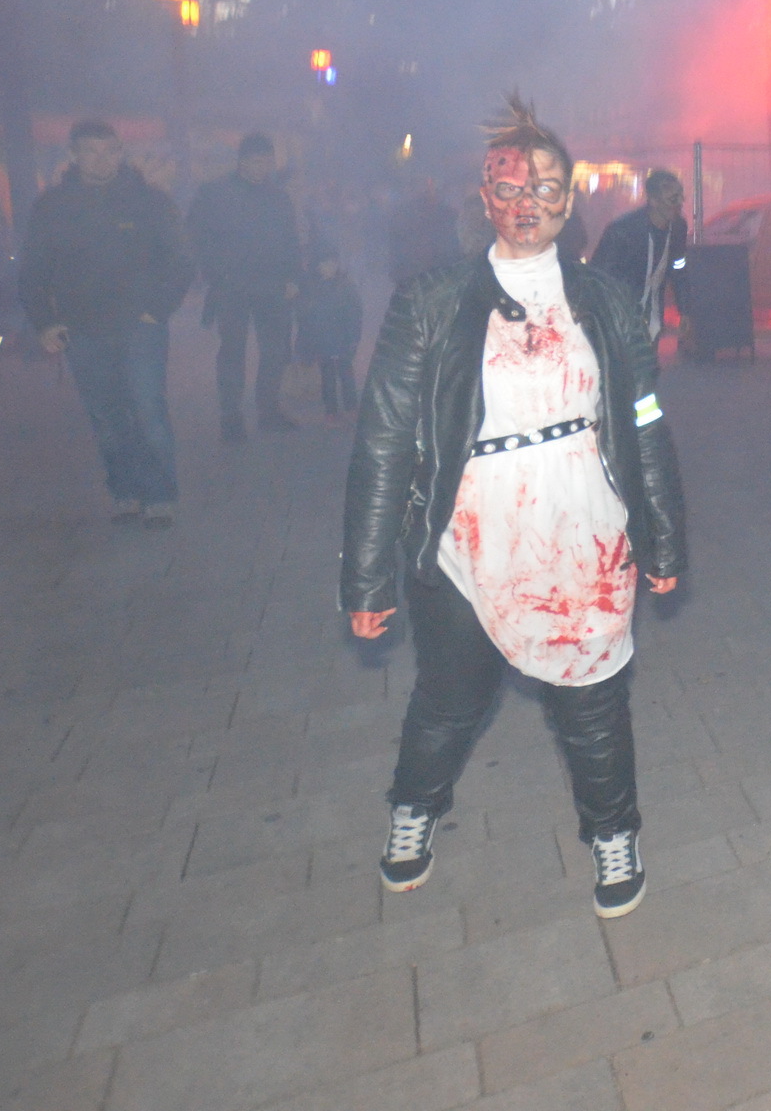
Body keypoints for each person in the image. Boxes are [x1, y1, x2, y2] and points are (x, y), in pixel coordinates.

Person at [343, 95, 685, 919]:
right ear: (484, 197)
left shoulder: (605, 300)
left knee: (593, 701)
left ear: (570, 201)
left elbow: (644, 421)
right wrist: (366, 577)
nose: (527, 203)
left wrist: (665, 538)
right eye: (509, 187)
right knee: (450, 697)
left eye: (546, 188)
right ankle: (414, 809)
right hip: (469, 535)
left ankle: (614, 832)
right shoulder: (429, 301)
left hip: (584, 531)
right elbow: (384, 439)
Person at [18, 121, 194, 527]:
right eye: (92, 151)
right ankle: (125, 492)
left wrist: (157, 308)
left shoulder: (148, 201)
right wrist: (44, 322)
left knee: (147, 409)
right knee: (106, 416)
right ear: (74, 155)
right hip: (82, 327)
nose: (102, 160)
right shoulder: (53, 206)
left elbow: (182, 259)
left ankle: (160, 495)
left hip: (139, 326)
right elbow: (33, 270)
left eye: (111, 150)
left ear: (121, 153)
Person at [188, 133, 303, 441]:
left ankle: (268, 411)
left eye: (266, 162)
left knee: (274, 351)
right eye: (254, 161)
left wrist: (293, 278)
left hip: (272, 285)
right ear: (241, 161)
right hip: (232, 286)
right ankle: (231, 417)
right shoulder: (215, 194)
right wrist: (214, 273)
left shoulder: (278, 197)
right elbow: (196, 236)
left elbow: (290, 240)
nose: (260, 168)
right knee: (232, 353)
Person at [590, 169, 688, 341]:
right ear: (654, 201)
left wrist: (685, 311)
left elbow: (679, 270)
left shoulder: (678, 228)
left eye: (681, 196)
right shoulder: (622, 231)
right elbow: (600, 277)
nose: (680, 203)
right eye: (673, 199)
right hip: (620, 319)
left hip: (652, 318)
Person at [295, 249, 363, 418]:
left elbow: (355, 314)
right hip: (323, 340)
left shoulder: (346, 286)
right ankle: (331, 412)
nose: (324, 267)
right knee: (327, 377)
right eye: (322, 264)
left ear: (336, 264)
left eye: (328, 263)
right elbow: (308, 317)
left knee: (346, 374)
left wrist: (354, 338)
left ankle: (351, 407)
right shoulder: (314, 288)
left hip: (343, 340)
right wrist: (308, 343)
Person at [389, 179, 459, 286]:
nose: (423, 191)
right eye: (418, 185)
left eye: (428, 187)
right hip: (411, 277)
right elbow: (396, 255)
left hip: (442, 277)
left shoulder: (448, 216)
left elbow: (453, 250)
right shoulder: (402, 217)